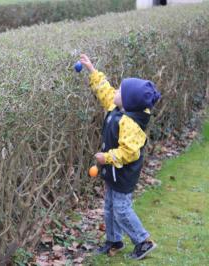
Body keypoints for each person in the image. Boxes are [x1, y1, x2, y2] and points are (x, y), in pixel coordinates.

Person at [79, 54, 161, 260]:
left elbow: (129, 152)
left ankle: (143, 241)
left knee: (122, 210)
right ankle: (114, 240)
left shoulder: (130, 123)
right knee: (109, 207)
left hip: (123, 173)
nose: (115, 91)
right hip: (113, 171)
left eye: (121, 92)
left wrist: (107, 158)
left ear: (128, 103)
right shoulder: (118, 107)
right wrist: (92, 70)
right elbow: (105, 92)